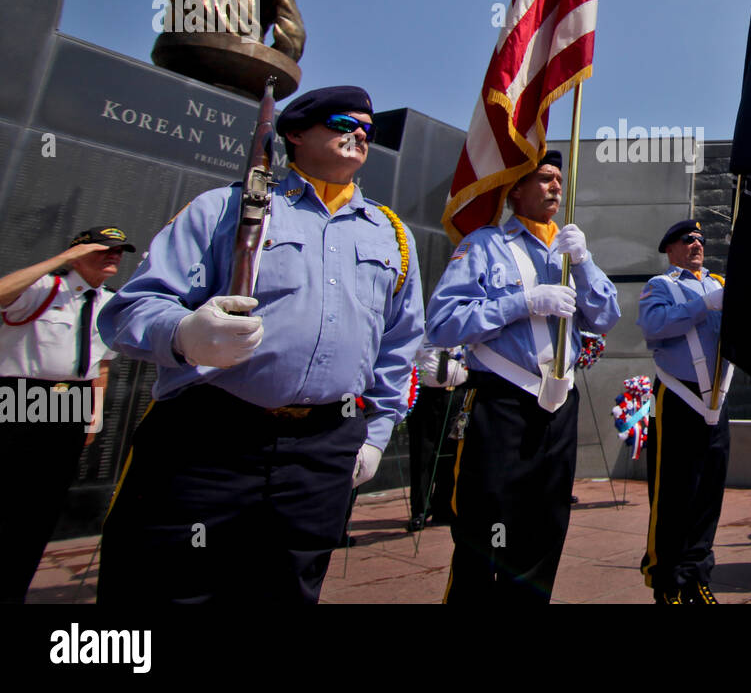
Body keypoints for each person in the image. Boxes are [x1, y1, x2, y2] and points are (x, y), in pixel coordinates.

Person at [97, 85, 424, 604]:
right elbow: (129, 310)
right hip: (210, 437)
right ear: (294, 132)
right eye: (343, 122)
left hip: (323, 449)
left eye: (368, 129)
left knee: (288, 591)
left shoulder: (394, 236)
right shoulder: (225, 208)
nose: (359, 133)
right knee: (165, 591)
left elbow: (400, 346)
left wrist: (376, 434)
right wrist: (185, 334)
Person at [426, 150, 620, 604]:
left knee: (545, 526)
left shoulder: (569, 250)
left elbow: (607, 316)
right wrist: (523, 303)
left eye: (559, 179)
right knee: (484, 525)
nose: (556, 187)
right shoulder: (484, 245)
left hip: (557, 405)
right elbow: (442, 322)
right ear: (515, 187)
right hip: (500, 401)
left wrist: (586, 261)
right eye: (545, 178)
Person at [0, 225, 131, 603]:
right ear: (77, 252)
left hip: (70, 401)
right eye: (104, 249)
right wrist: (60, 261)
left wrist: (94, 418)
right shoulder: (44, 289)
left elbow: (102, 368)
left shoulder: (109, 303)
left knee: (41, 507)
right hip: (23, 394)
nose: (114, 256)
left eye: (119, 251)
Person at [636, 219, 729, 604]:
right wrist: (702, 304)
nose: (696, 244)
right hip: (678, 398)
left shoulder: (720, 284)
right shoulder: (661, 286)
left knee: (709, 494)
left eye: (700, 240)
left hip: (716, 402)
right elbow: (653, 327)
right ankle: (667, 579)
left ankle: (696, 574)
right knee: (674, 493)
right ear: (670, 249)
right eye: (687, 240)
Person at [406, 345, 468, 530]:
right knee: (422, 455)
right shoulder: (425, 332)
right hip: (426, 395)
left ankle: (444, 507)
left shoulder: (461, 333)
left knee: (449, 453)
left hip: (455, 394)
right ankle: (420, 511)